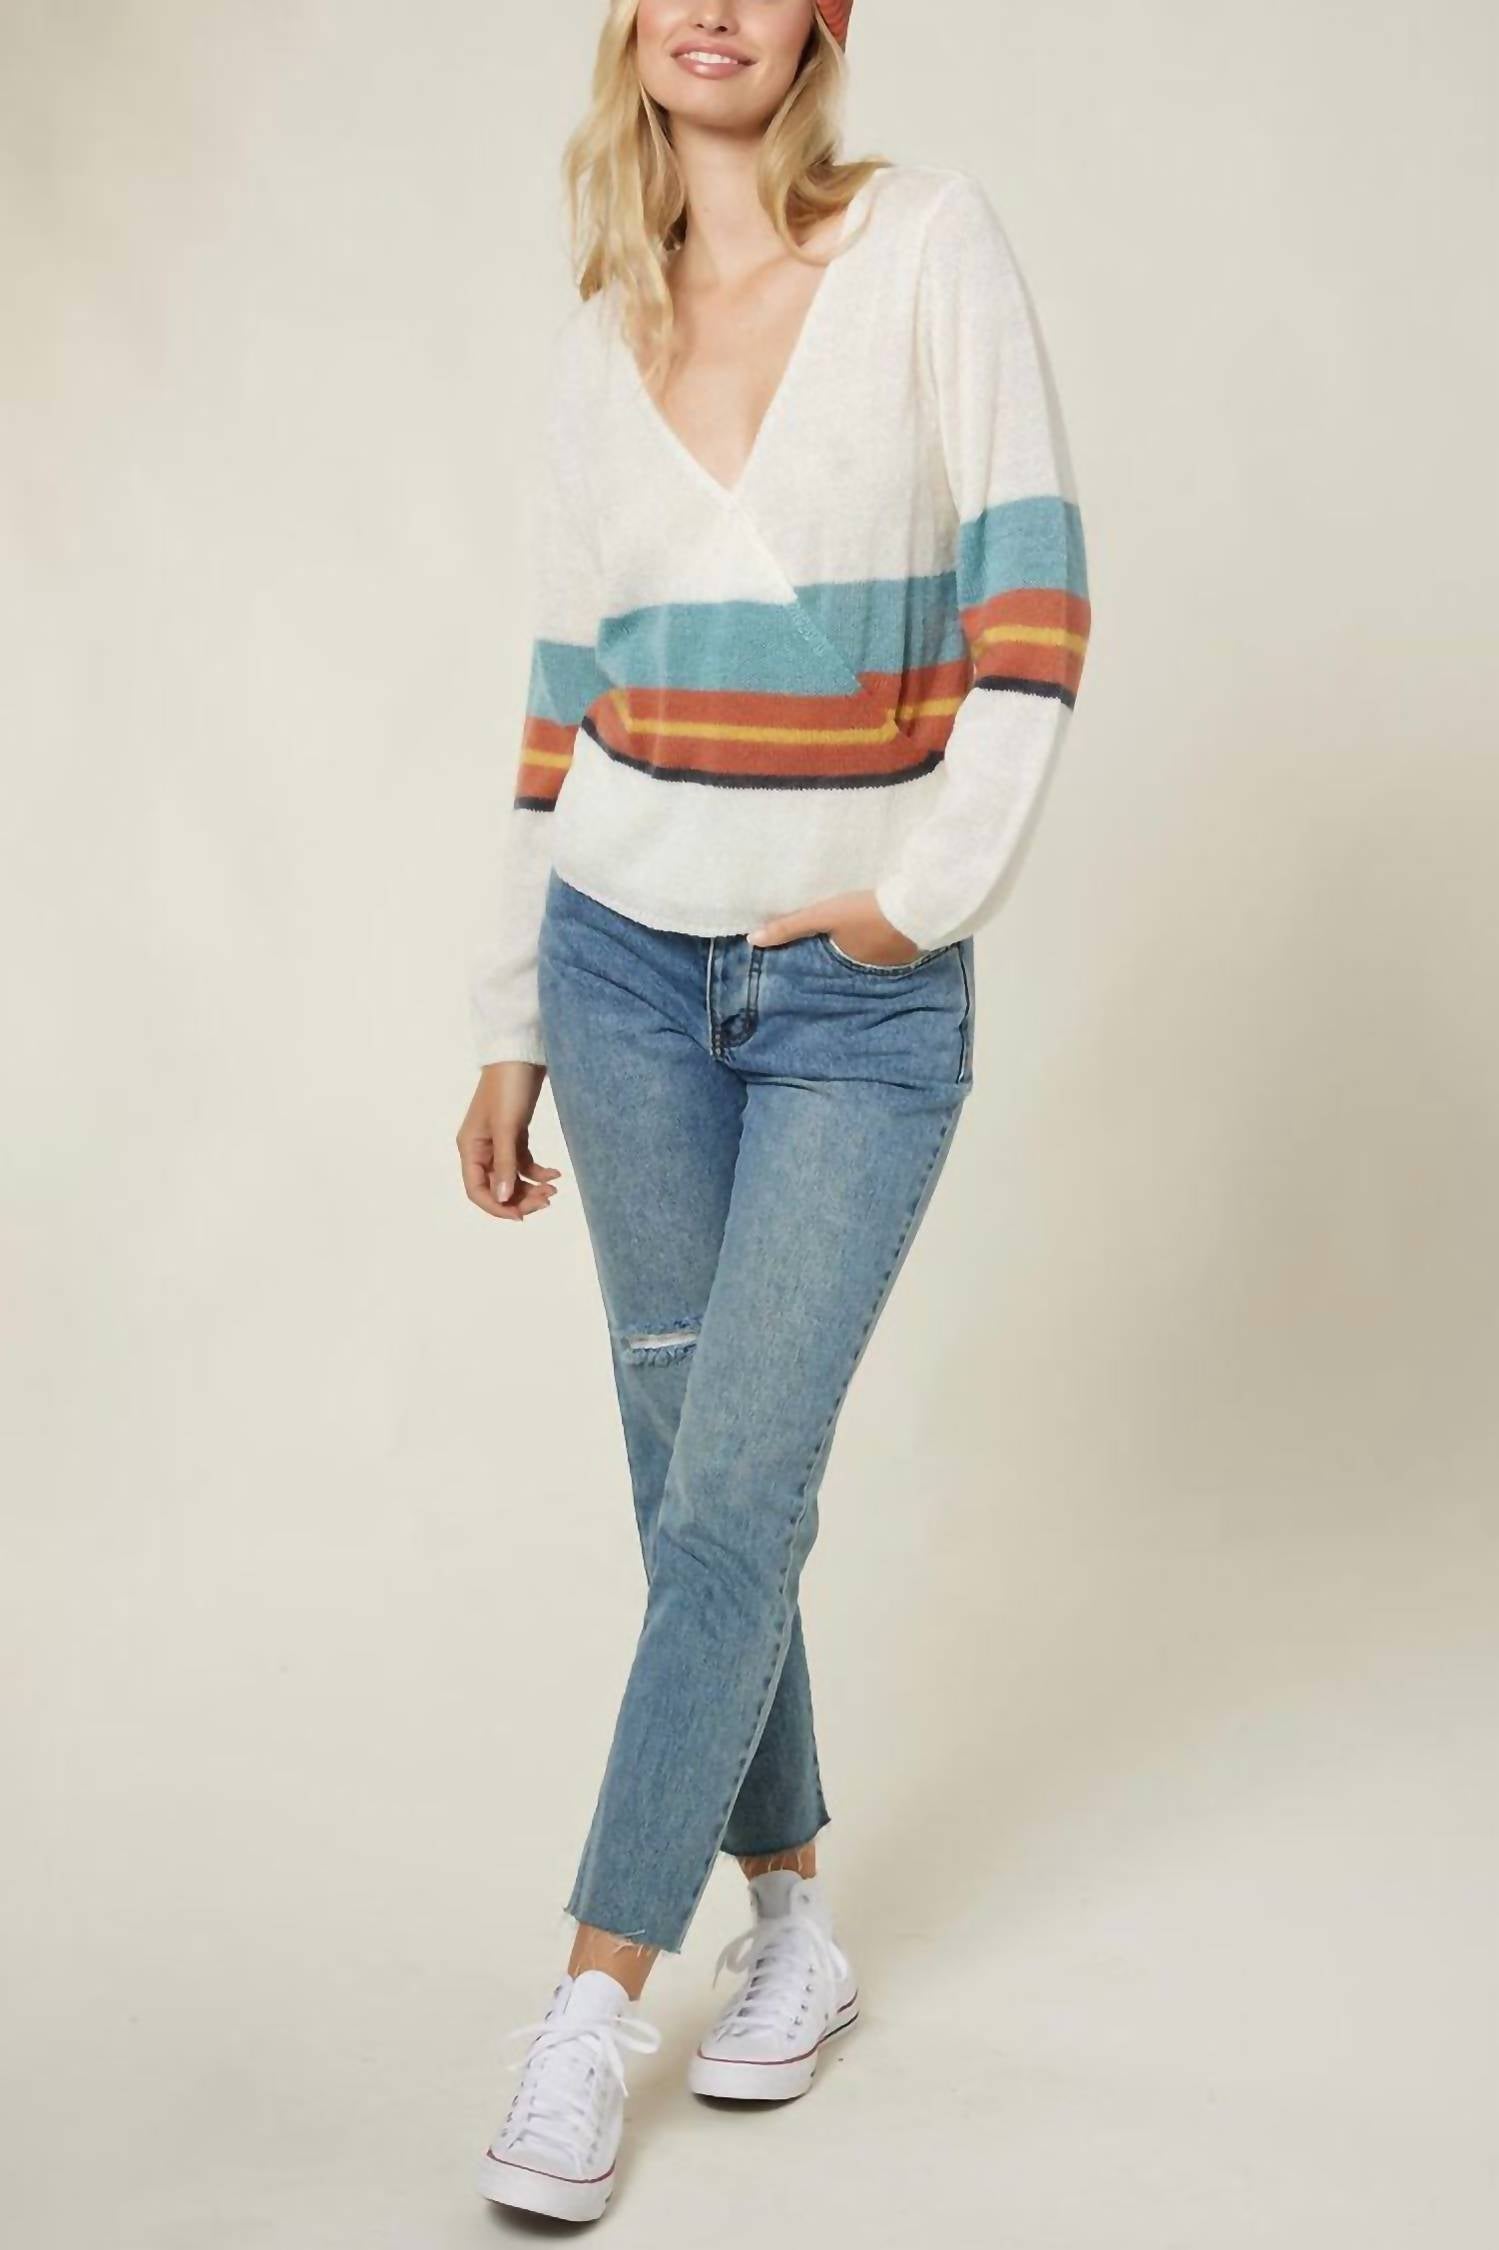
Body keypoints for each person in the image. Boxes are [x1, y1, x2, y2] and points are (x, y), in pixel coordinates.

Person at [457, 0, 1091, 2223]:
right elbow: (562, 703)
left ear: (828, 15)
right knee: (685, 1484)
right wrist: (512, 1014)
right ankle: (793, 1922)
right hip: (622, 969)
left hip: (851, 1001)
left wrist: (921, 899)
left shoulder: (927, 249)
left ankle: (589, 2003)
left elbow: (1034, 609)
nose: (712, 6)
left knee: (736, 1487)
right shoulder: (602, 334)